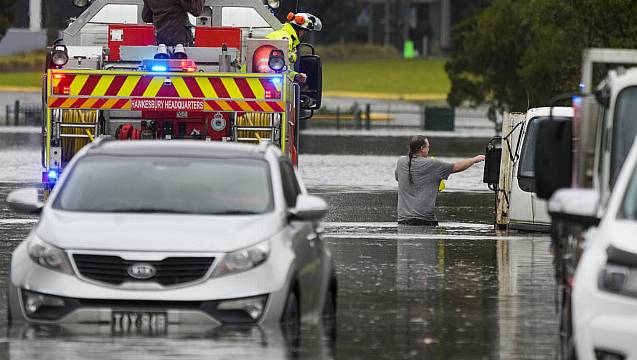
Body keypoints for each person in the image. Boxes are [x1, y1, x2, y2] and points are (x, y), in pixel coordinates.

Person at [395, 135, 485, 226]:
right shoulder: (432, 164)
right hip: (425, 220)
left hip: (403, 220)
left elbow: (398, 178)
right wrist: (474, 159)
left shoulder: (401, 162)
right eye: (428, 147)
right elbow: (456, 167)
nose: (429, 149)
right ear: (422, 149)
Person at [266, 12, 322, 83]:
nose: (303, 35)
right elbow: (277, 68)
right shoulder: (286, 40)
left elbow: (282, 68)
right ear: (301, 31)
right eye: (305, 32)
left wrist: (295, 76)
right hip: (269, 80)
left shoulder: (284, 36)